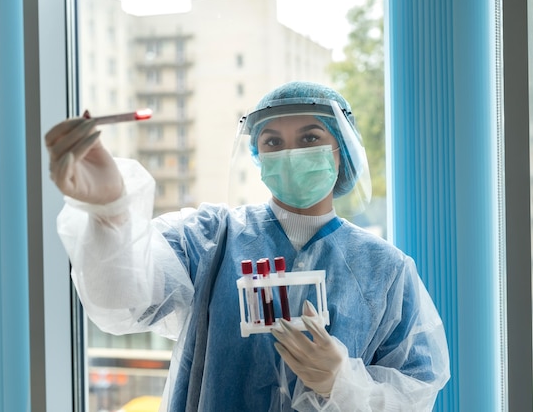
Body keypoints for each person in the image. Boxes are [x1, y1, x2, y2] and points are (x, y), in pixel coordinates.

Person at [45, 81, 450, 411]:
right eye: (272, 142)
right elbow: (124, 299)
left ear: (341, 152)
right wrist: (111, 211)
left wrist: (344, 384)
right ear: (258, 155)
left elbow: (414, 395)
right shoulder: (211, 238)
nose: (290, 154)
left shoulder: (384, 269)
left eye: (309, 137)